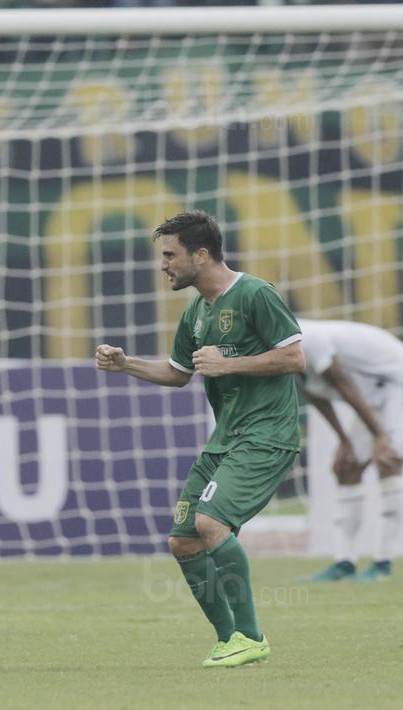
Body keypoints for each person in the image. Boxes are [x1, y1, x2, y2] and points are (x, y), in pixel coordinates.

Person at [95, 211, 305, 668]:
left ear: (201, 254)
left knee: (211, 524)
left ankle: (252, 636)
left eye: (170, 255)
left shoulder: (255, 294)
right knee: (184, 540)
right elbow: (177, 374)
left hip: (267, 435)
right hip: (225, 439)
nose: (163, 264)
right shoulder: (196, 311)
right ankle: (230, 639)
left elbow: (293, 357)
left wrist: (230, 364)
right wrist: (125, 363)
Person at [297, 318, 403, 582]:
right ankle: (345, 563)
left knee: (388, 459)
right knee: (347, 466)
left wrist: (380, 436)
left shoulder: (308, 338)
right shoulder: (271, 349)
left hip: (395, 381)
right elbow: (316, 395)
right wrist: (344, 441)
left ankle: (383, 563)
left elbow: (344, 384)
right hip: (374, 394)